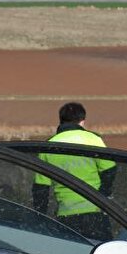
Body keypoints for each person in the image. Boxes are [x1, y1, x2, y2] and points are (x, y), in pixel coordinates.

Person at [33, 102, 116, 240]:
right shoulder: (94, 140)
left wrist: (40, 218)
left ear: (61, 120)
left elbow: (41, 189)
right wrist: (103, 196)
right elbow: (110, 170)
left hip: (65, 217)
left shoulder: (48, 146)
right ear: (82, 121)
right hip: (94, 213)